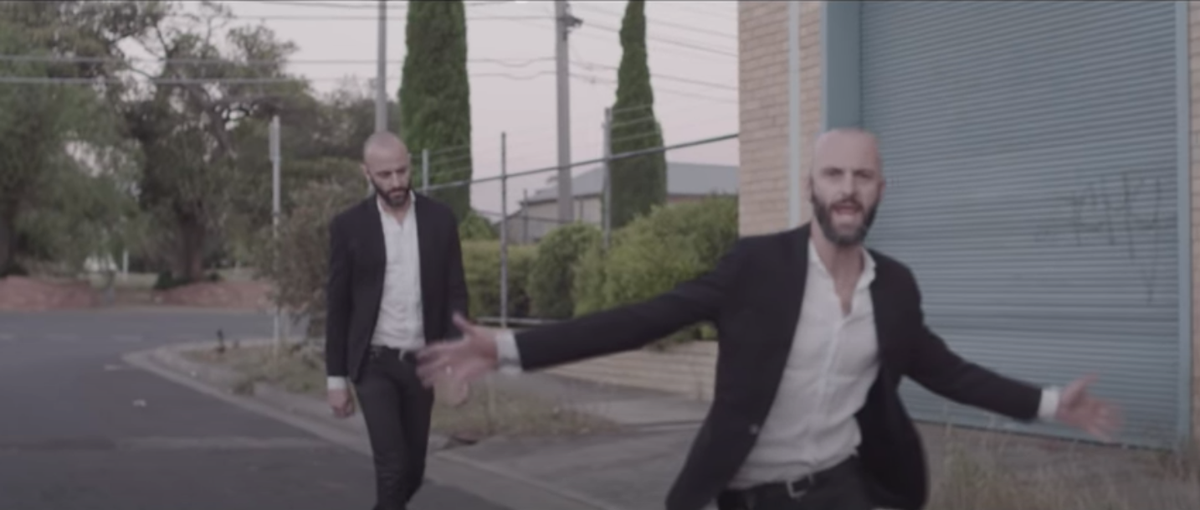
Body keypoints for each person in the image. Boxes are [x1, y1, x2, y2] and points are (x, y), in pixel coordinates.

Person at [415, 128, 1120, 510]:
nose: (848, 189)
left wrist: (1049, 403)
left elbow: (947, 370)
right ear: (811, 186)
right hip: (747, 494)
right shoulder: (757, 267)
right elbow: (646, 318)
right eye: (834, 175)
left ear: (881, 189)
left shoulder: (895, 288)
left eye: (862, 176)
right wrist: (509, 350)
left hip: (843, 487)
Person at [325, 131, 469, 510]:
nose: (396, 182)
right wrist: (336, 379)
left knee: (413, 470)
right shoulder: (348, 227)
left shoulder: (440, 220)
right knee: (392, 467)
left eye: (402, 171)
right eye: (385, 175)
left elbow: (455, 293)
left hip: (422, 363)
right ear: (367, 173)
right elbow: (338, 307)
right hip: (374, 364)